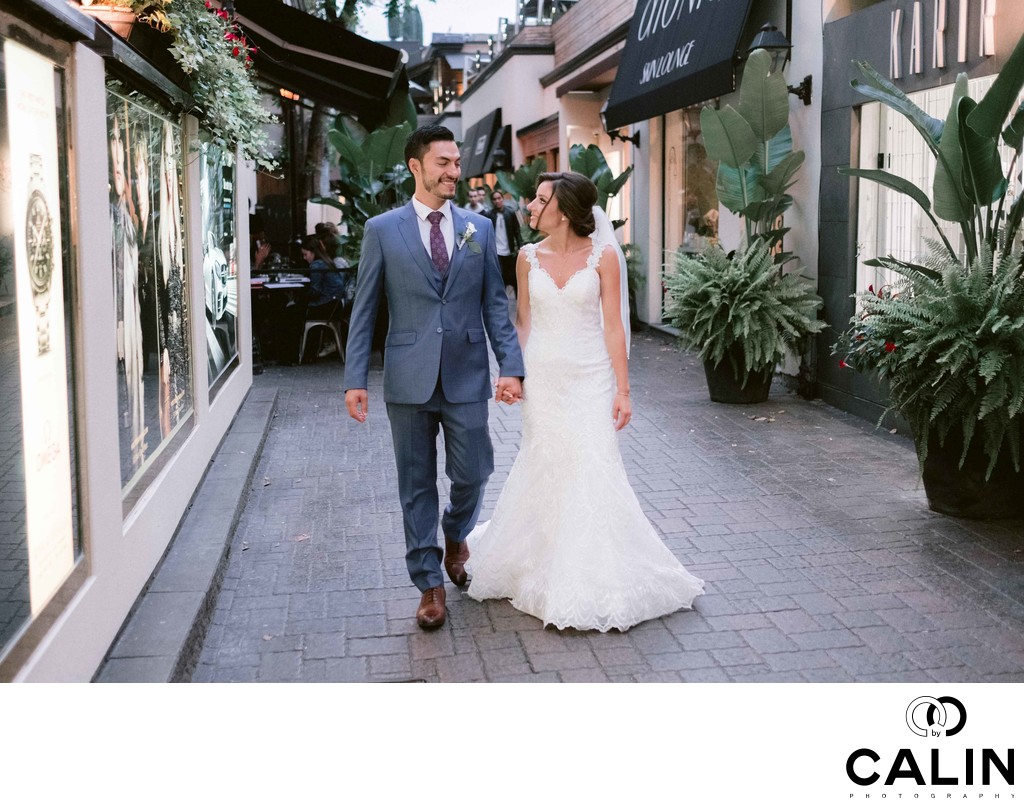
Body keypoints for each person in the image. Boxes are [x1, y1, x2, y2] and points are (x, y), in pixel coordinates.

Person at [465, 171, 704, 631]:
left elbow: (613, 326)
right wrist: (512, 374)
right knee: (546, 460)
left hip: (591, 376)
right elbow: (523, 322)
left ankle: (591, 570)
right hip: (545, 376)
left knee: (593, 463)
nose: (530, 207)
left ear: (566, 210)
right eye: (532, 200)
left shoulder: (604, 256)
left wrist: (624, 389)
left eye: (539, 200)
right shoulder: (526, 256)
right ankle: (544, 561)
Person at [343, 125, 525, 631]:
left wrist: (511, 365)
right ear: (415, 167)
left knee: (475, 471)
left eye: (456, 161)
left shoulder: (479, 228)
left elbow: (494, 303)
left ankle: (456, 531)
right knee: (415, 482)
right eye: (442, 162)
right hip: (407, 378)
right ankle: (428, 583)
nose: (453, 171)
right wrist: (354, 377)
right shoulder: (382, 229)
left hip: (466, 374)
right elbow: (365, 309)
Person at [301, 234, 349, 358]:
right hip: (336, 305)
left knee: (292, 311)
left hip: (327, 306)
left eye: (306, 254)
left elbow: (315, 291)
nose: (304, 258)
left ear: (313, 252)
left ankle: (302, 353)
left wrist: (300, 297)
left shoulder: (316, 265)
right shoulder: (327, 261)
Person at [486, 189, 523, 297]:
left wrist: (520, 245)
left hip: (509, 251)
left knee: (512, 277)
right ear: (492, 201)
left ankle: (518, 300)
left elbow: (517, 231)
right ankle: (500, 299)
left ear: (503, 199)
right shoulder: (489, 215)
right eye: (494, 199)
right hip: (496, 252)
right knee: (499, 277)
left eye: (499, 198)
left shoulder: (510, 213)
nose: (497, 201)